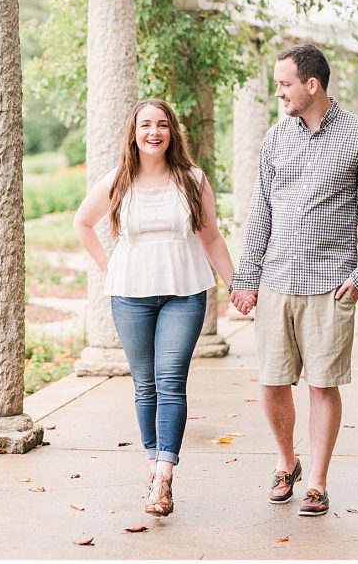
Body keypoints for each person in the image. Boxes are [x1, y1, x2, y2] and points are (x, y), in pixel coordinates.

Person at [230, 43, 358, 517]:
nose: (279, 93)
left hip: (329, 284)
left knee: (323, 385)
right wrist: (247, 275)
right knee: (272, 382)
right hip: (277, 279)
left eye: (284, 84)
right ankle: (287, 464)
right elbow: (262, 211)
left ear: (311, 85)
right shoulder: (276, 138)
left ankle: (317, 481)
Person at [73, 97, 243, 517]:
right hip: (130, 294)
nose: (154, 132)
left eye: (162, 124)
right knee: (144, 384)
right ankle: (153, 462)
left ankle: (164, 473)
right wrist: (108, 267)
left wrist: (236, 284)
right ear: (133, 133)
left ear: (172, 132)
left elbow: (211, 238)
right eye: (146, 124)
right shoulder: (117, 181)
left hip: (184, 293)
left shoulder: (192, 179)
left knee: (170, 381)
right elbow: (82, 222)